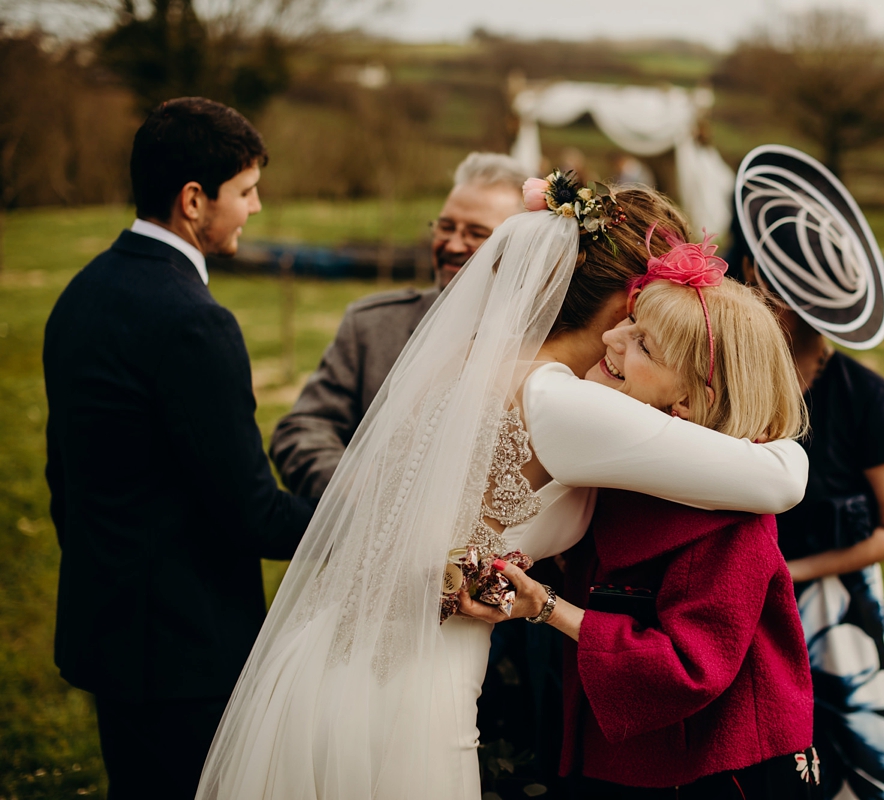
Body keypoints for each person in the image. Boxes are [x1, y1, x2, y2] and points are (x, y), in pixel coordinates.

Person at [196, 175, 811, 799]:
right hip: (413, 685)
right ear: (632, 304)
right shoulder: (558, 403)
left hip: (333, 658)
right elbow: (781, 480)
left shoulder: (468, 364)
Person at [42, 97, 316, 800]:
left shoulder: (83, 292)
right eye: (246, 190)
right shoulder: (195, 323)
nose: (256, 207)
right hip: (184, 654)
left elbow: (62, 477)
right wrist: (356, 510)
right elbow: (253, 512)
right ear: (194, 200)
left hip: (106, 631)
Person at [462, 269, 822, 799]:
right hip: (632, 755)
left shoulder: (732, 523)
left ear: (692, 401)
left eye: (643, 344)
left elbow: (691, 664)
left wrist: (546, 607)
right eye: (630, 319)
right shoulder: (625, 470)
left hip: (716, 767)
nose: (612, 337)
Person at [733, 144, 884, 800]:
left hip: (833, 615)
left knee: (843, 765)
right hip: (738, 604)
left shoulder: (874, 403)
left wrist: (793, 574)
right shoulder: (734, 389)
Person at [270, 152, 530, 500]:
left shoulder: (547, 342)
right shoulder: (372, 325)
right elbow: (301, 429)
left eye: (476, 234)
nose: (452, 244)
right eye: (446, 226)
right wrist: (360, 496)